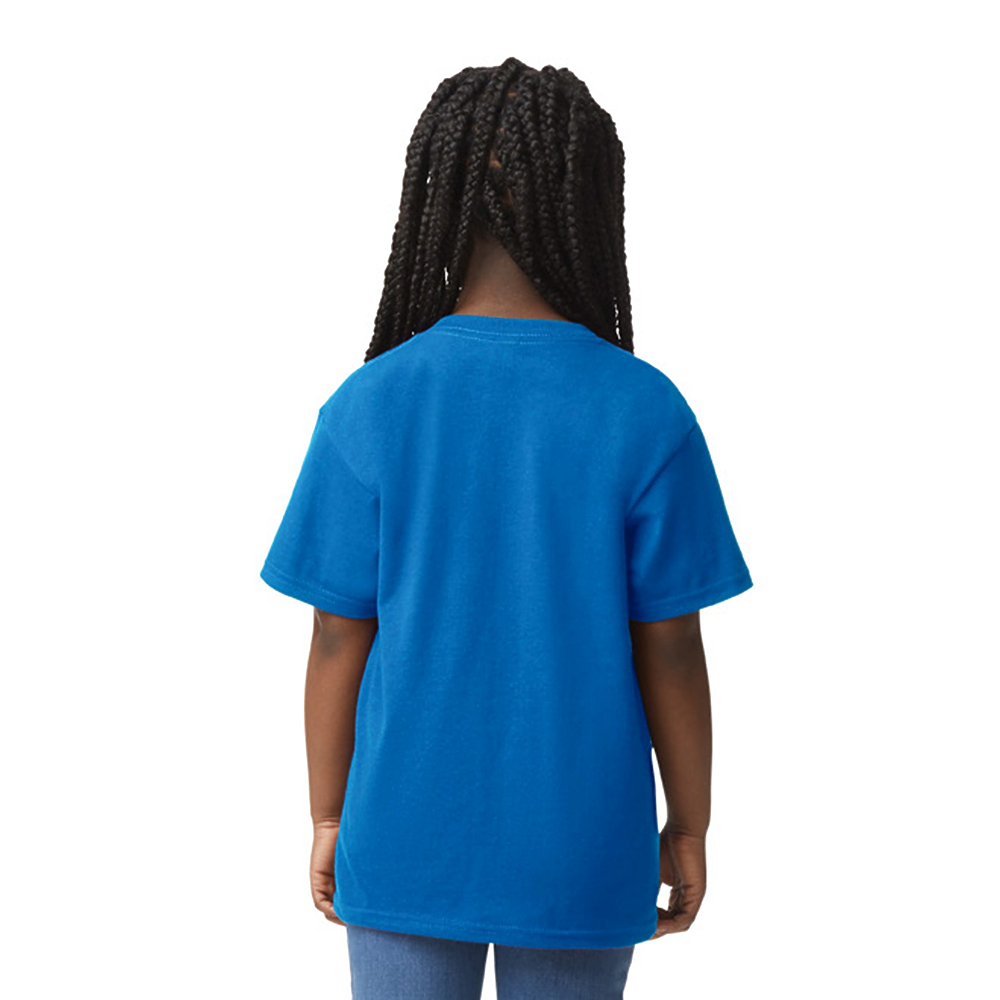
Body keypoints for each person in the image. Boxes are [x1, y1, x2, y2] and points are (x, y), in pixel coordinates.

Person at [260, 56, 753, 1000]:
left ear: (434, 194)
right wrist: (689, 823)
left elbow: (335, 637)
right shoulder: (646, 412)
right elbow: (671, 645)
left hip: (401, 832)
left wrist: (328, 816)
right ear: (591, 203)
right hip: (583, 840)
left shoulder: (369, 405)